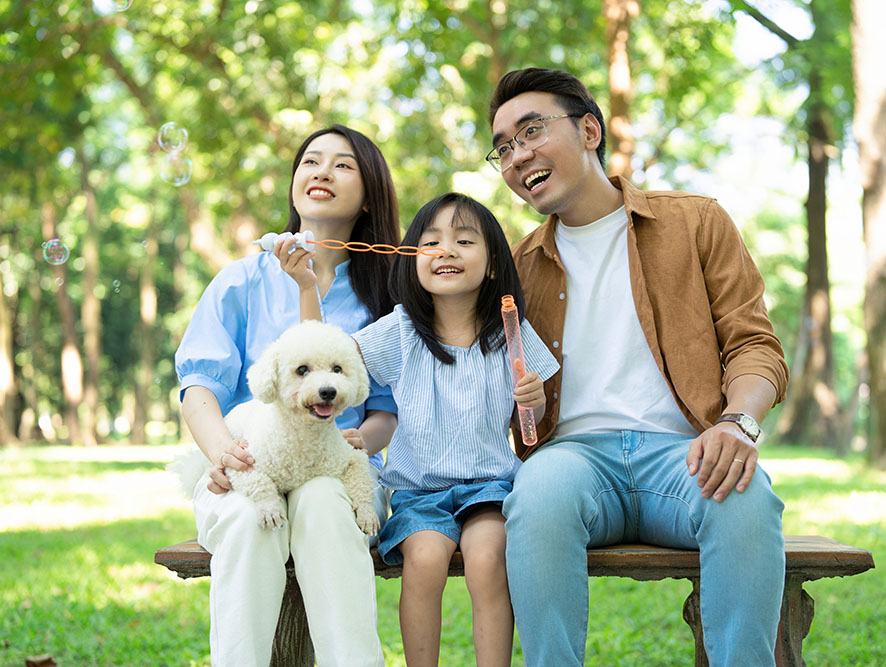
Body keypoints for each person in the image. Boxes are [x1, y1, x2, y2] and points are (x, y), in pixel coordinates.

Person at [486, 68, 790, 667]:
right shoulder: (515, 265)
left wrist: (736, 423)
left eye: (531, 132)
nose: (518, 157)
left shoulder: (695, 222)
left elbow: (754, 345)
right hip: (574, 462)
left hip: (684, 454)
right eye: (503, 149)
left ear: (589, 130)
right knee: (539, 489)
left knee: (746, 495)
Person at [174, 124, 401, 667]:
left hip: (337, 466)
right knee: (251, 516)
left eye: (343, 165)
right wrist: (222, 453)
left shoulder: (388, 291)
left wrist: (353, 445)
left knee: (327, 503)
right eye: (310, 161)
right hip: (247, 461)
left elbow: (384, 410)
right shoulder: (239, 280)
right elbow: (199, 384)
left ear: (369, 194)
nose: (322, 171)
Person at [342, 193, 559, 667]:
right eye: (432, 241)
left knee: (487, 561)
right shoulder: (398, 331)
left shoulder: (510, 332)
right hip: (418, 491)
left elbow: (534, 415)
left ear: (494, 264)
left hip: (491, 488)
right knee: (424, 561)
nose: (447, 251)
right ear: (411, 260)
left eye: (465, 240)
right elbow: (334, 360)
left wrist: (535, 400)